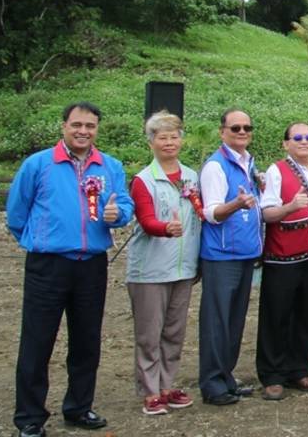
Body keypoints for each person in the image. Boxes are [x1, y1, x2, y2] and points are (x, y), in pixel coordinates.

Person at [7, 102, 134, 436]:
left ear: (97, 129)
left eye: (90, 126)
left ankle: (79, 406)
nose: (83, 131)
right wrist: (41, 239)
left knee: (87, 340)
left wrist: (117, 215)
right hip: (47, 265)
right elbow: (17, 214)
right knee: (37, 341)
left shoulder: (109, 166)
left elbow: (123, 204)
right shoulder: (39, 164)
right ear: (63, 126)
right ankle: (30, 417)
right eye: (77, 124)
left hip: (91, 265)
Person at [126, 111, 201, 416]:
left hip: (183, 268)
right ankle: (150, 390)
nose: (169, 142)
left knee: (175, 330)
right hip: (151, 269)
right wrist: (164, 228)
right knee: (149, 333)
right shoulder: (144, 180)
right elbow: (145, 220)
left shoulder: (191, 176)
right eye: (162, 137)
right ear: (151, 142)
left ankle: (168, 384)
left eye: (174, 136)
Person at [256, 122, 308, 400]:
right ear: (286, 143)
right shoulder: (277, 171)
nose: (304, 141)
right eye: (297, 137)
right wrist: (290, 207)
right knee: (276, 316)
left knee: (307, 314)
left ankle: (298, 368)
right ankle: (272, 374)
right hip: (282, 256)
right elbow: (267, 213)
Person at [198, 108, 264, 406]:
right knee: (217, 320)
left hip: (246, 251)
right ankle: (212, 382)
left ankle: (226, 376)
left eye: (247, 128)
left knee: (235, 319)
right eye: (235, 128)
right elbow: (210, 212)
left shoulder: (248, 163)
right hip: (222, 254)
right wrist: (236, 204)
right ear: (222, 131)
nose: (242, 133)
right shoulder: (216, 166)